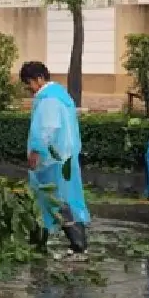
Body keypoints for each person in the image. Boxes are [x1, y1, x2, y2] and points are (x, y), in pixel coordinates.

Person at [20, 61, 90, 253]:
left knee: (55, 199)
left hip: (51, 160)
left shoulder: (49, 99)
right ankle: (41, 241)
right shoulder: (61, 96)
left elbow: (47, 128)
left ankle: (77, 243)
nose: (29, 89)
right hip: (63, 157)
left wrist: (36, 151)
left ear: (39, 79)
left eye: (29, 83)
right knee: (56, 198)